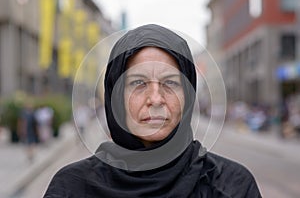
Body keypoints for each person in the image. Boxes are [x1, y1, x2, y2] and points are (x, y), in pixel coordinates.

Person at [44, 24, 262, 197]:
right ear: (116, 97)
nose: (156, 99)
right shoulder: (72, 188)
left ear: (188, 95)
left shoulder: (232, 186)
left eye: (170, 83)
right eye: (139, 83)